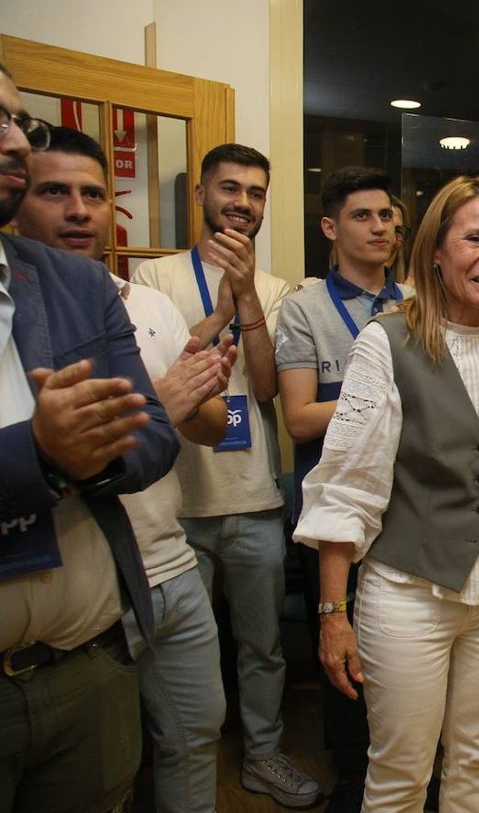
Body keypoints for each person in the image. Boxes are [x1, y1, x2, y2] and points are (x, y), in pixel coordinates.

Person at [294, 175, 479, 813]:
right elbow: (347, 487)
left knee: (477, 760)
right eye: (473, 239)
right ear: (435, 252)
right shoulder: (385, 342)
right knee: (400, 775)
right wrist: (333, 616)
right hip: (407, 592)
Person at [14, 125, 236, 813]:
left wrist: (188, 397)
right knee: (116, 757)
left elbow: (216, 425)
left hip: (170, 567)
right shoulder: (19, 313)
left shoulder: (150, 306)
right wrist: (159, 403)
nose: (78, 210)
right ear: (19, 199)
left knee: (194, 732)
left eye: (93, 194)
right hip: (91, 581)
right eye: (55, 192)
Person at [0, 64, 179, 813]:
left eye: (18, 123)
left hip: (89, 664)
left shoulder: (75, 284)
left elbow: (155, 438)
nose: (14, 140)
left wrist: (76, 461)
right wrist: (40, 455)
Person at [131, 144, 319, 807]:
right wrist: (218, 307)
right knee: (177, 653)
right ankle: (181, 769)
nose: (243, 202)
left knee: (262, 646)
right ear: (201, 195)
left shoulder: (278, 290)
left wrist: (246, 295)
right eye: (230, 188)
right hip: (173, 505)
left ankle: (263, 754)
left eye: (257, 193)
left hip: (253, 498)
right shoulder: (151, 282)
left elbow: (265, 387)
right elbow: (159, 375)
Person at [276, 166, 410, 813]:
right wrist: (389, 396)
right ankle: (353, 783)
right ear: (330, 227)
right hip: (330, 510)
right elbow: (299, 417)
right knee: (342, 654)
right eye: (363, 216)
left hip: (407, 511)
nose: (380, 227)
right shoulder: (303, 309)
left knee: (403, 654)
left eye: (387, 215)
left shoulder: (420, 301)